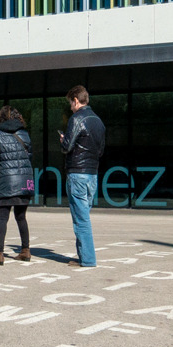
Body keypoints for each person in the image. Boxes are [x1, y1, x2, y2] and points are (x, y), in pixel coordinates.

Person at [58, 86, 106, 267]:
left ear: (76, 100)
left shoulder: (76, 119)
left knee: (81, 219)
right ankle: (83, 256)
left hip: (77, 173)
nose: (70, 107)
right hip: (92, 174)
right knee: (83, 215)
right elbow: (100, 151)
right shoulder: (98, 121)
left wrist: (63, 140)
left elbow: (66, 147)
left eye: (71, 102)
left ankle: (88, 259)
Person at [0, 104, 35, 262]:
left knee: (2, 218)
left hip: (6, 180)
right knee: (21, 217)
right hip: (25, 180)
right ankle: (25, 250)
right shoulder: (24, 133)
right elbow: (29, 156)